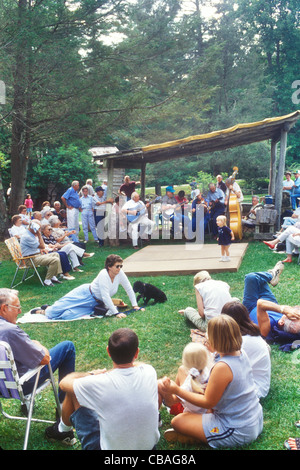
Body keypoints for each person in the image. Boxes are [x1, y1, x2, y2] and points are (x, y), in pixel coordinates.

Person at [46, 328, 160, 450]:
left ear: (108, 351)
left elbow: (64, 383)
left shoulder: (98, 382)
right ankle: (63, 429)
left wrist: (92, 374)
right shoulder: (149, 371)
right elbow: (139, 365)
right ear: (137, 353)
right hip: (149, 448)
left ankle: (62, 430)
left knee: (74, 391)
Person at [161, 315, 263, 448]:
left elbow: (208, 402)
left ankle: (196, 437)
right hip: (253, 420)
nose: (206, 338)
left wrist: (177, 390)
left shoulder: (222, 367)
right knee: (195, 416)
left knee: (178, 422)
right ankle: (199, 433)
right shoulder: (241, 353)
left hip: (235, 430)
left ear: (215, 340)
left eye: (207, 335)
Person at [0, 288, 77, 445]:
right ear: (3, 308)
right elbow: (44, 358)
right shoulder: (10, 331)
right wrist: (38, 344)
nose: (20, 311)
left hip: (2, 386)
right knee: (67, 347)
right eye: (17, 307)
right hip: (21, 385)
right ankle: (64, 413)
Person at [32, 254, 141, 320]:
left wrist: (135, 305)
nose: (120, 268)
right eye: (117, 266)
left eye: (121, 266)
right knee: (53, 313)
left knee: (67, 315)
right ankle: (45, 310)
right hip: (84, 294)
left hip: (94, 303)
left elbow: (128, 288)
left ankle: (53, 309)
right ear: (109, 267)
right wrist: (116, 312)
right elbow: (105, 296)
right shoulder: (103, 274)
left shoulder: (120, 273)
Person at [221, 301, 271, 399]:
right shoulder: (249, 334)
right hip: (256, 383)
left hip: (254, 389)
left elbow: (224, 365)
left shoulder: (241, 341)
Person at [242, 262, 300, 344]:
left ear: (281, 323)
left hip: (251, 306)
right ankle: (271, 276)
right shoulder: (290, 324)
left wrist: (284, 309)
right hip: (270, 302)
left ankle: (271, 275)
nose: (291, 311)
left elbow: (261, 304)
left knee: (251, 278)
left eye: (292, 316)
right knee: (259, 280)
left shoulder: (266, 329)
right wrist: (288, 311)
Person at [158, 342, 213, 415]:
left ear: (185, 362)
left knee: (159, 383)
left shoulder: (190, 383)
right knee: (181, 369)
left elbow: (173, 401)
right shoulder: (211, 372)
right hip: (210, 411)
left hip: (193, 415)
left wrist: (169, 390)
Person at [19, 219, 63, 286]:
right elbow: (42, 246)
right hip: (30, 259)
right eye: (38, 228)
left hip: (36, 255)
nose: (39, 230)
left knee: (56, 254)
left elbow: (38, 247)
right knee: (55, 260)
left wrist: (40, 250)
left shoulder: (31, 234)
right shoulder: (27, 236)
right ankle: (47, 280)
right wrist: (39, 235)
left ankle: (53, 276)